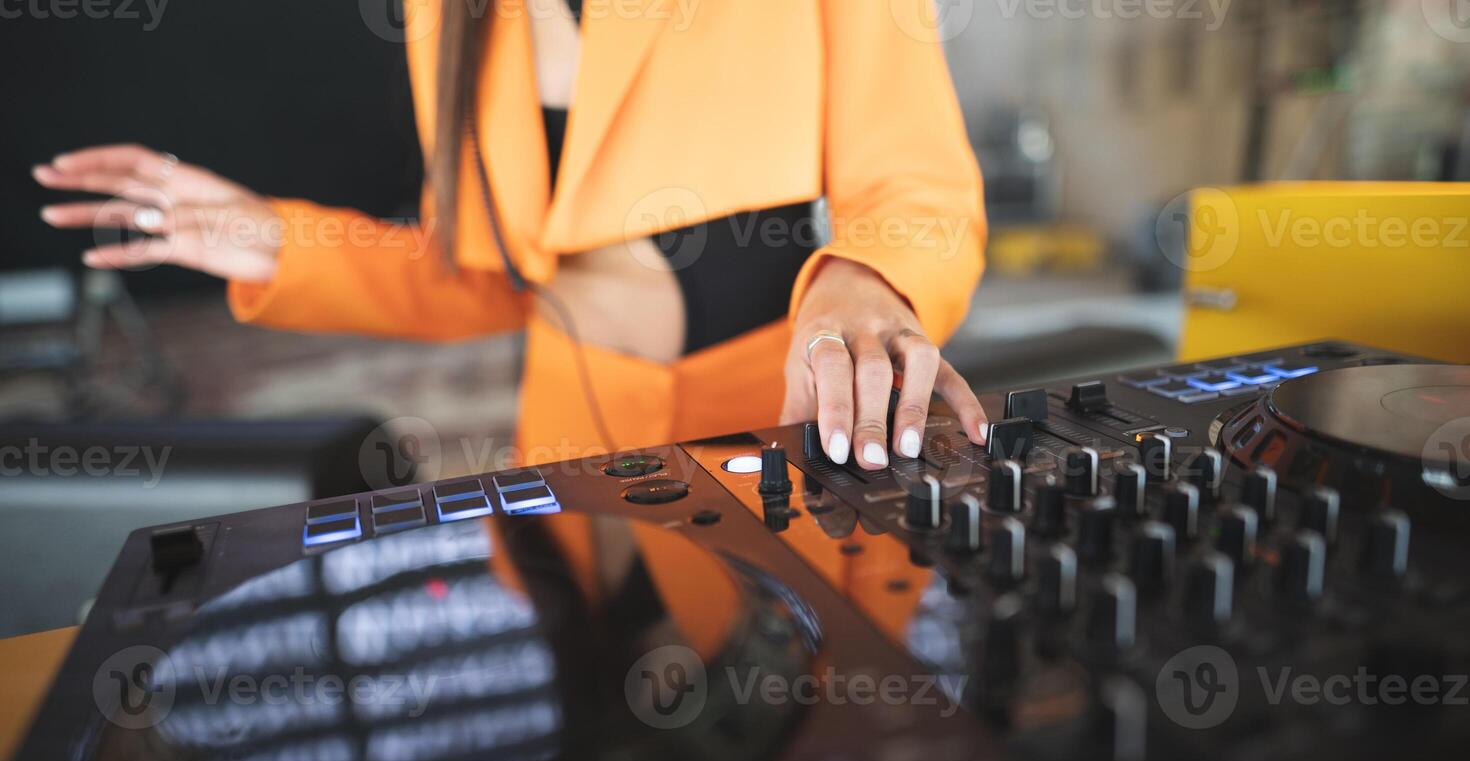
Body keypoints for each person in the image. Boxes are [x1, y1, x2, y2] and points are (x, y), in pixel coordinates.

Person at [35, 0, 989, 469]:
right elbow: (486, 270)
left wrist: (865, 280)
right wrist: (277, 243)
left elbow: (916, 184)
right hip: (568, 427)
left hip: (773, 406)